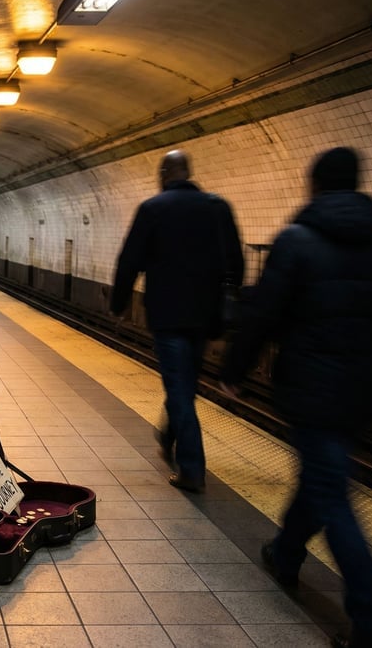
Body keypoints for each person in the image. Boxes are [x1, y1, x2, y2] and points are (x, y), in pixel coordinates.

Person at [220, 147, 372, 648]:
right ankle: (287, 553)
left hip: (312, 387)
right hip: (364, 391)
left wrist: (235, 370)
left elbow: (263, 313)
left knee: (333, 496)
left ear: (315, 186)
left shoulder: (297, 240)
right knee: (323, 479)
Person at [110, 149, 243, 493]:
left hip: (168, 315)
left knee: (179, 387)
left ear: (165, 174)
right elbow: (236, 262)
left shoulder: (153, 209)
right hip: (205, 317)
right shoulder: (218, 208)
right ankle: (169, 433)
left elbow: (129, 261)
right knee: (185, 384)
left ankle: (192, 468)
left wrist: (118, 304)